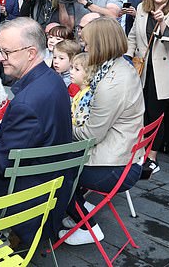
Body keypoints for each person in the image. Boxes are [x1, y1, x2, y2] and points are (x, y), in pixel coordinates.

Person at [0, 17, 72, 245]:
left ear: (31, 53)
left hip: (27, 193)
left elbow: (2, 163)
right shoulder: (53, 79)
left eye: (6, 52)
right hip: (52, 181)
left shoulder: (27, 101)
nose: (0, 58)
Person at [59, 17, 144, 245]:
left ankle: (89, 227)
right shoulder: (119, 66)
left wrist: (62, 125)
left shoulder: (112, 83)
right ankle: (80, 207)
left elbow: (90, 135)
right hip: (125, 155)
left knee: (55, 175)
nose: (84, 47)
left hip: (115, 167)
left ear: (99, 44)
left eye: (87, 43)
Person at [126, 0, 169, 175]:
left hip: (162, 73)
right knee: (138, 112)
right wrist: (127, 58)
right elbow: (133, 37)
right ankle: (137, 152)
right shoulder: (142, 9)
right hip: (141, 69)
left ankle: (152, 157)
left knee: (155, 115)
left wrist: (162, 22)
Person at [70, 52, 93, 128]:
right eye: (71, 68)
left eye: (77, 69)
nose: (71, 72)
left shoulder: (87, 95)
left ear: (88, 73)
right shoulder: (80, 92)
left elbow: (80, 121)